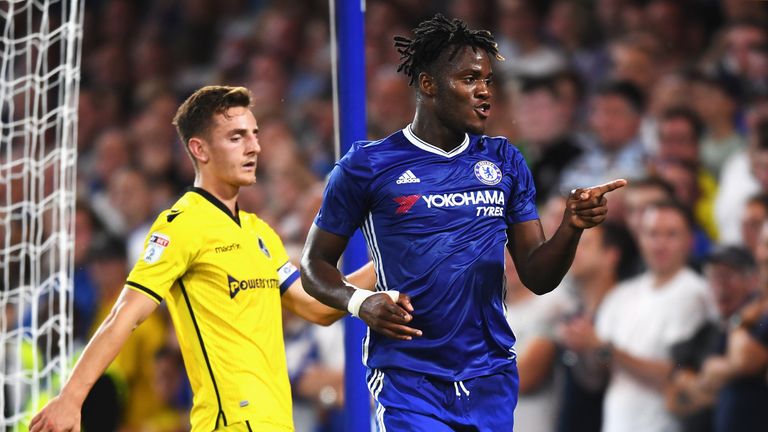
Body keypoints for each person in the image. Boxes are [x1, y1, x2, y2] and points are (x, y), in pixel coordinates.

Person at [300, 14, 624, 431]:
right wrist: (361, 302)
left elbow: (539, 276)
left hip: (489, 376)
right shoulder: (367, 166)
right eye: (470, 79)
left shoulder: (504, 160)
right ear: (428, 84)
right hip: (410, 378)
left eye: (488, 79)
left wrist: (571, 226)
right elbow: (314, 265)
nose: (485, 91)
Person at [30, 86, 377, 432]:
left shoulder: (259, 232)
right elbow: (124, 316)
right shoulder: (181, 225)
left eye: (254, 135)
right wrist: (72, 399)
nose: (254, 146)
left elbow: (318, 306)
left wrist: (386, 263)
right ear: (200, 149)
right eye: (237, 137)